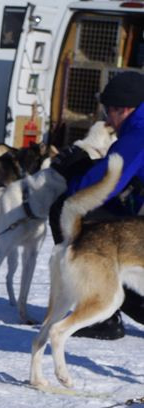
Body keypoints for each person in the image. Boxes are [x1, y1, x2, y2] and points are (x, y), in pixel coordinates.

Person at [48, 70, 144, 340]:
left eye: (107, 111)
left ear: (122, 109)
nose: (107, 119)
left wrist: (74, 177)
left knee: (64, 209)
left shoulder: (138, 133)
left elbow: (107, 180)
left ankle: (102, 314)